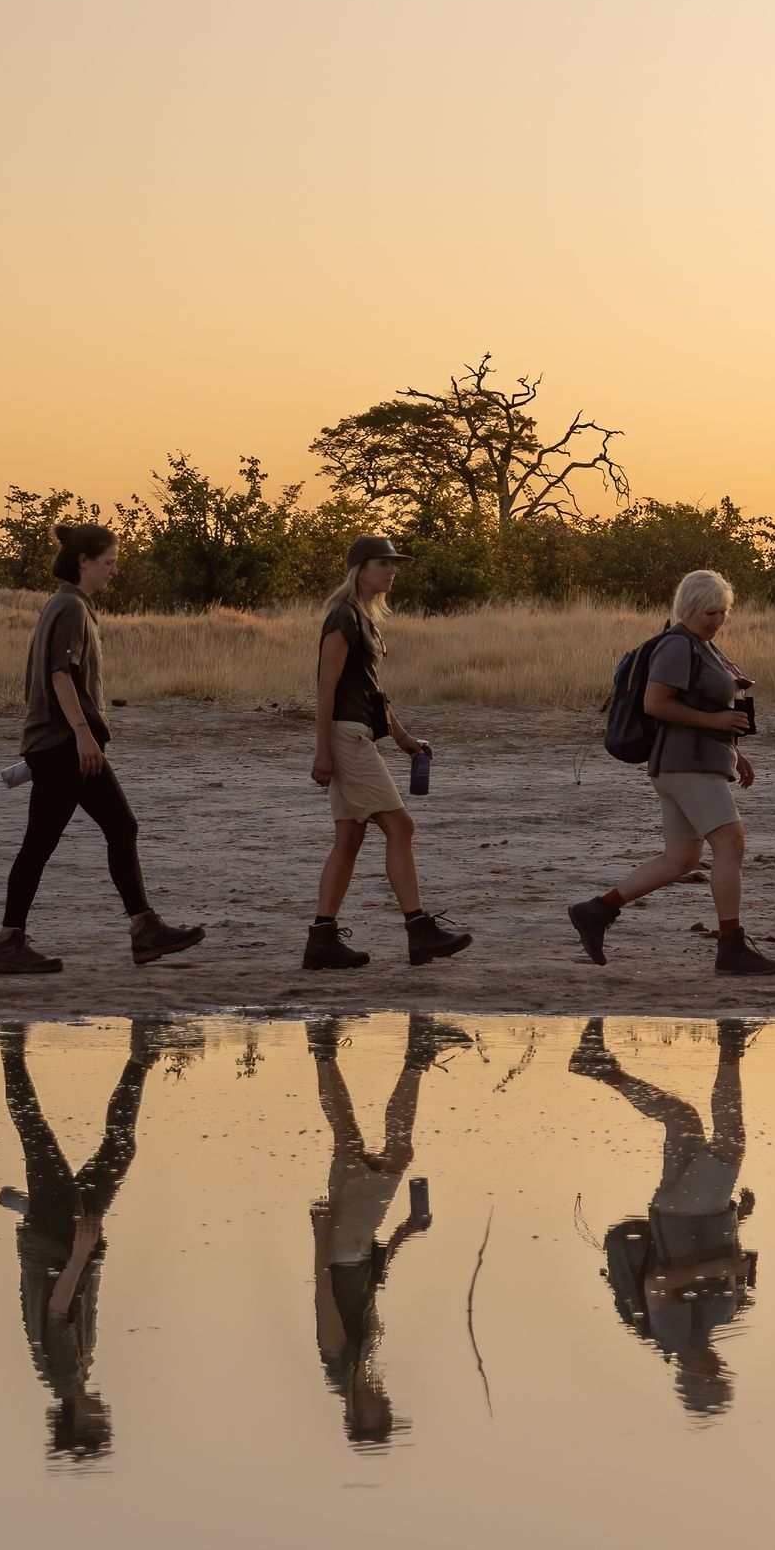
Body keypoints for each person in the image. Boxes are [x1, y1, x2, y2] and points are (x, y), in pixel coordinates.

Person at [0, 524, 207, 976]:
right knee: (48, 841)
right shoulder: (70, 606)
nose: (114, 571)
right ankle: (10, 940)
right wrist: (84, 736)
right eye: (108, 563)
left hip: (60, 744)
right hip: (64, 745)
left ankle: (143, 928)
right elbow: (60, 675)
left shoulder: (69, 604)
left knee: (115, 827)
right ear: (84, 562)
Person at [567, 569, 775, 975]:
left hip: (691, 764)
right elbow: (656, 704)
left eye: (722, 612)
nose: (716, 621)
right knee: (730, 843)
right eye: (708, 613)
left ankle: (597, 911)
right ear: (688, 608)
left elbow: (708, 711)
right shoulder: (678, 646)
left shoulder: (702, 645)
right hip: (685, 767)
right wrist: (716, 724)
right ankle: (731, 947)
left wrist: (733, 751)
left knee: (680, 858)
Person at [574, 1017, 759, 1415]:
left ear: (692, 1380)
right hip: (693, 1215)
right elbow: (712, 1264)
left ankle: (731, 1044)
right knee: (681, 1116)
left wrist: (720, 1265)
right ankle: (601, 1069)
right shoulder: (706, 1332)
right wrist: (736, 1222)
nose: (718, 1373)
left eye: (711, 1381)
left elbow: (659, 1283)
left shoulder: (676, 1338)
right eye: (720, 1380)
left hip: (689, 1215)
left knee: (730, 1143)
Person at [306, 535, 470, 972]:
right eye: (382, 563)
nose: (391, 570)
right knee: (401, 826)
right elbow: (326, 689)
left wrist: (400, 736)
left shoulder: (365, 620)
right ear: (359, 569)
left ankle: (321, 940)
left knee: (349, 839)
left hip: (356, 732)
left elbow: (371, 691)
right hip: (345, 737)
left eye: (393, 563)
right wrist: (323, 751)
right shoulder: (342, 617)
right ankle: (419, 930)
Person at [0, 1018, 158, 1460]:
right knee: (117, 1149)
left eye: (97, 1428)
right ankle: (141, 1056)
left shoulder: (66, 1378)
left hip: (59, 1237)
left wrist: (81, 1252)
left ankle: (9, 1046)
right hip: (61, 1237)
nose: (105, 1420)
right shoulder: (68, 1375)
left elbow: (55, 1310)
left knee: (38, 1137)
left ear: (78, 1423)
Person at [306, 1013, 467, 1443]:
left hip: (342, 1246)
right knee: (350, 1142)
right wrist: (404, 1232)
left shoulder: (339, 1362)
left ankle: (417, 1055)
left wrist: (319, 1234)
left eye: (382, 1415)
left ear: (359, 1415)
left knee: (395, 1152)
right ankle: (321, 1047)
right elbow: (369, 1286)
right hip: (356, 1247)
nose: (389, 1406)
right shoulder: (362, 1365)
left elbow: (324, 1295)